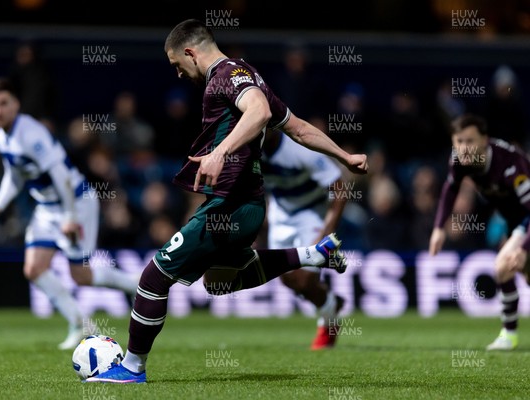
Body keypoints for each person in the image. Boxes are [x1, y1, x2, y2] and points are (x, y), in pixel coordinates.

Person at [85, 18, 367, 384]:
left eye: (176, 65)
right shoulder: (249, 74)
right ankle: (315, 254)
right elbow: (296, 126)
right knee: (219, 281)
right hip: (247, 206)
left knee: (153, 278)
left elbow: (260, 113)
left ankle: (133, 368)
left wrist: (221, 152)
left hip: (232, 204)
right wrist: (343, 155)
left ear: (189, 52)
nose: (178, 74)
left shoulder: (226, 75)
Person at [0, 77, 140, 350]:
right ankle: (80, 323)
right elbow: (14, 176)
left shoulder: (31, 134)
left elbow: (62, 177)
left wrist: (70, 218)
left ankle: (136, 285)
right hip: (47, 209)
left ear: (16, 104)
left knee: (81, 276)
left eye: (3, 103)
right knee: (33, 269)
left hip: (75, 203)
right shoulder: (2, 137)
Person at [429, 113, 530, 351]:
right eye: (459, 141)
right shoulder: (458, 160)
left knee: (502, 267)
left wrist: (525, 247)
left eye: (470, 141)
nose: (463, 148)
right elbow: (451, 188)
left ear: (485, 140)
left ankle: (509, 335)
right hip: (515, 221)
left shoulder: (511, 165)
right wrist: (438, 228)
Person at [261, 129, 347, 350]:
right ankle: (332, 302)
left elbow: (341, 189)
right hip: (280, 214)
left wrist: (326, 235)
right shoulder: (249, 150)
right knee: (287, 279)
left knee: (305, 281)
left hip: (311, 214)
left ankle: (328, 325)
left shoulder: (302, 150)